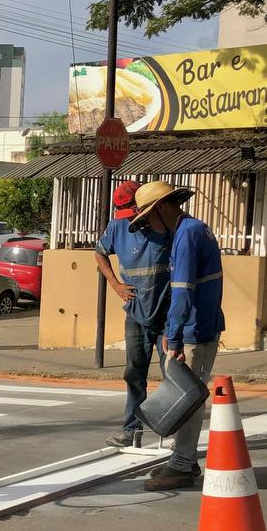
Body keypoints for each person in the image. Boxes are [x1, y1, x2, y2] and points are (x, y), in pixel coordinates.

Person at [131, 181, 225, 492]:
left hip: (196, 329)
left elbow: (183, 292)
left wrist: (173, 338)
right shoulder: (191, 229)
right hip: (198, 325)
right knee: (187, 394)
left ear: (160, 208)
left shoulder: (187, 235)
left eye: (148, 218)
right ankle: (183, 458)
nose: (148, 225)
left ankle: (183, 464)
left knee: (188, 399)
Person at [93, 180, 172, 449]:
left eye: (133, 213)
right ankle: (131, 430)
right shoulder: (117, 227)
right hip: (136, 313)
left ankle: (173, 432)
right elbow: (100, 254)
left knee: (172, 374)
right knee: (134, 374)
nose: (130, 220)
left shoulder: (166, 226)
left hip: (166, 314)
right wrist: (114, 284)